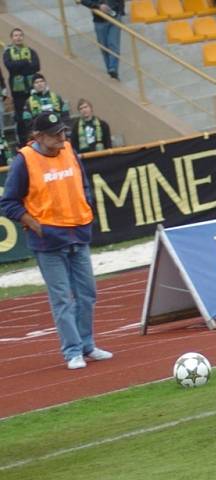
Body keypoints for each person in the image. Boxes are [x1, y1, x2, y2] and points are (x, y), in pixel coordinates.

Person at [0, 113, 113, 369]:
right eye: (55, 134)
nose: (62, 137)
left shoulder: (69, 151)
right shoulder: (24, 161)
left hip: (78, 234)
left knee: (87, 294)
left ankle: (87, 345)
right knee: (62, 298)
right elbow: (8, 203)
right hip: (49, 244)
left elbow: (83, 184)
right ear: (38, 137)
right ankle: (72, 351)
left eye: (62, 131)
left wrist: (87, 206)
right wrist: (35, 225)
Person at [2, 28, 40, 142]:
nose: (18, 37)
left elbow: (36, 66)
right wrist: (25, 63)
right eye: (15, 35)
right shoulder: (8, 52)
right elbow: (10, 67)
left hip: (32, 89)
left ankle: (37, 136)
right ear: (12, 38)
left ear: (23, 37)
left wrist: (19, 67)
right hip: (18, 91)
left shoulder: (31, 51)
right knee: (21, 116)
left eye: (20, 35)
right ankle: (24, 140)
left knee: (35, 113)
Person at [79, 0, 125, 80]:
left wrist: (121, 11)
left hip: (115, 17)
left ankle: (113, 69)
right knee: (104, 47)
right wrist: (98, 6)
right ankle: (110, 71)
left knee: (113, 45)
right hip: (100, 21)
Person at [21, 73, 70, 141]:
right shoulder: (29, 102)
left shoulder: (56, 97)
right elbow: (28, 122)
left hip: (59, 131)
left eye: (41, 81)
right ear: (33, 86)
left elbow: (65, 115)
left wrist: (65, 131)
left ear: (45, 83)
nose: (39, 84)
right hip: (42, 136)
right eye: (36, 82)